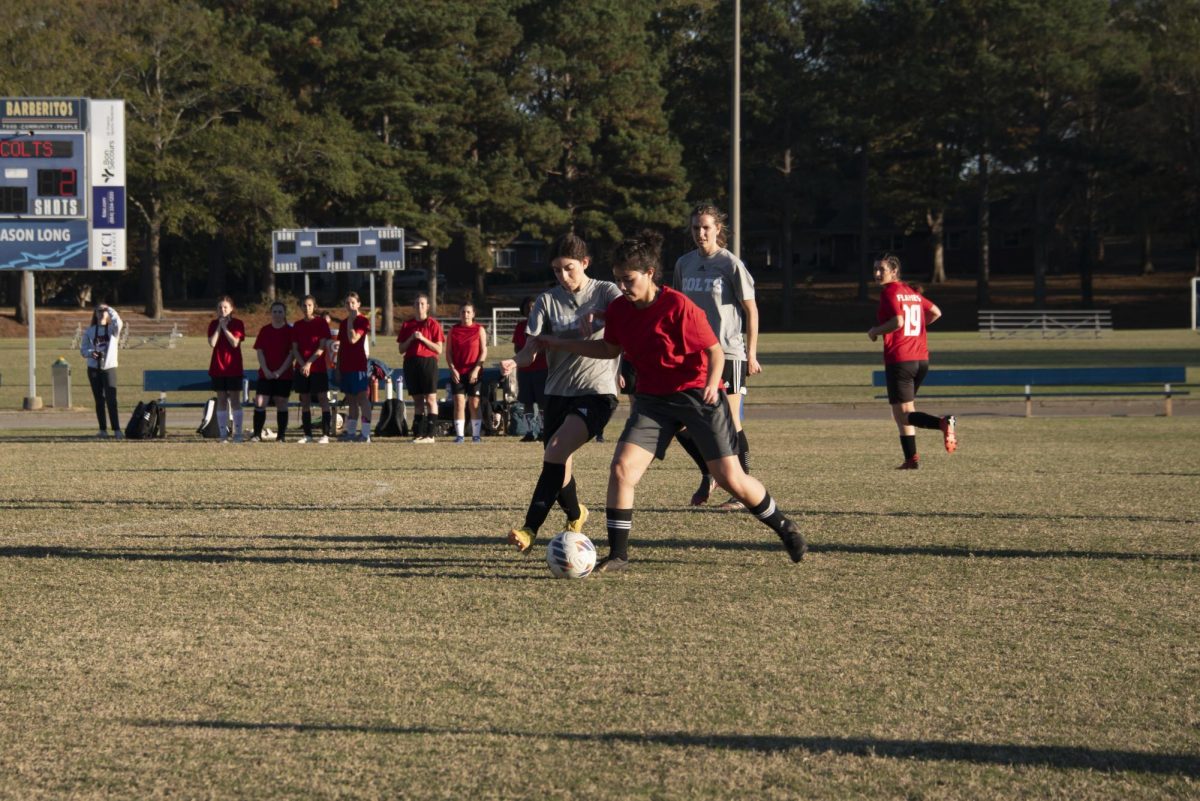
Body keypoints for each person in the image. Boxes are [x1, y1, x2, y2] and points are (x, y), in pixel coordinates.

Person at [536, 231, 806, 573]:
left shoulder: (678, 306)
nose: (622, 287)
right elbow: (608, 349)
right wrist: (560, 342)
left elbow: (714, 352)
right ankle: (618, 555)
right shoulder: (620, 309)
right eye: (617, 279)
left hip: (696, 395)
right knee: (621, 469)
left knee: (728, 478)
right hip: (652, 402)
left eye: (629, 279)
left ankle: (784, 527)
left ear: (649, 273)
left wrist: (710, 385)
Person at [501, 232, 622, 554]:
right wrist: (515, 361)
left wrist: (604, 318)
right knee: (559, 462)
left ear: (584, 263)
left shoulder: (606, 292)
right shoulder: (546, 301)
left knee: (555, 450)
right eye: (556, 270)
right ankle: (576, 513)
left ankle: (529, 528)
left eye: (569, 268)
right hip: (557, 392)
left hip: (597, 391)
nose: (563, 276)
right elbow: (532, 350)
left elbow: (632, 321)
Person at [672, 203, 760, 510]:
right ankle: (707, 470)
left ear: (718, 229)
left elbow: (751, 310)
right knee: (680, 420)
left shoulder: (730, 264)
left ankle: (742, 489)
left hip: (730, 354)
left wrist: (752, 353)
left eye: (706, 227)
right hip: (693, 355)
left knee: (731, 421)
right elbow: (677, 309)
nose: (700, 233)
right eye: (695, 227)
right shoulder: (683, 264)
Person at [867, 252, 957, 468]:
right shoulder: (911, 292)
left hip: (901, 359)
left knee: (903, 415)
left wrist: (875, 331)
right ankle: (911, 460)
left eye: (882, 269)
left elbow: (897, 321)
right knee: (906, 411)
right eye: (875, 269)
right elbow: (936, 312)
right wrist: (915, 330)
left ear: (894, 271)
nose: (878, 273)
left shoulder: (890, 292)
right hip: (920, 359)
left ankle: (943, 422)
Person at [396, 293, 444, 444]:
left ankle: (430, 434)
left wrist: (423, 339)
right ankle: (418, 432)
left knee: (430, 398)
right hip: (411, 362)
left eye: (422, 303)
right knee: (417, 399)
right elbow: (401, 349)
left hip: (428, 362)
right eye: (417, 304)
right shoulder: (407, 325)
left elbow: (439, 349)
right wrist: (411, 338)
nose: (419, 306)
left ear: (428, 307)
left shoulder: (433, 324)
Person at [249, 300, 295, 442]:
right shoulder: (265, 330)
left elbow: (292, 354)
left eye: (280, 311)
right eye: (274, 311)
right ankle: (257, 434)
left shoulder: (289, 331)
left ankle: (281, 436)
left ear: (284, 313)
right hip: (266, 374)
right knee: (260, 401)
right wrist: (266, 370)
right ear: (271, 313)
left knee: (281, 401)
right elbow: (260, 351)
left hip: (284, 374)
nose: (277, 314)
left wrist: (280, 371)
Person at [291, 295, 333, 444]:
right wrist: (303, 364)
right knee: (305, 400)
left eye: (309, 305)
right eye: (304, 305)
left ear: (314, 306)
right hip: (302, 368)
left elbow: (322, 346)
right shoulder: (297, 325)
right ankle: (307, 435)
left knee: (322, 399)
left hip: (318, 367)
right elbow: (294, 349)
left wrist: (309, 364)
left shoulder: (321, 323)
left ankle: (326, 434)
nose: (306, 308)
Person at [79, 300, 124, 439]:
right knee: (99, 400)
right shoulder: (90, 330)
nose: (101, 313)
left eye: (103, 310)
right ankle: (102, 430)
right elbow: (83, 349)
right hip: (93, 368)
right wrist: (91, 352)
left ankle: (116, 429)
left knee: (111, 400)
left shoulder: (112, 330)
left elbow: (119, 323)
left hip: (108, 367)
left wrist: (109, 308)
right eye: (98, 311)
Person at [446, 302, 488, 443]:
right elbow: (448, 353)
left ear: (473, 314)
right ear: (459, 314)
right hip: (458, 372)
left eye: (468, 312)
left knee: (474, 402)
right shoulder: (453, 330)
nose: (465, 315)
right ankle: (460, 435)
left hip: (474, 372)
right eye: (463, 312)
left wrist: (476, 369)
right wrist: (453, 369)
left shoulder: (479, 329)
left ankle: (476, 435)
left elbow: (484, 352)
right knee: (459, 402)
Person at [207, 295, 246, 442]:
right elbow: (212, 343)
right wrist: (219, 326)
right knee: (221, 399)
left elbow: (235, 343)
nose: (222, 310)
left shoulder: (238, 323)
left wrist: (225, 327)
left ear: (231, 309)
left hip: (233, 367)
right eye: (220, 308)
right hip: (218, 367)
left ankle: (238, 433)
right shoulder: (213, 324)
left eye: (225, 307)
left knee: (235, 400)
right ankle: (223, 434)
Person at [336, 292, 373, 442]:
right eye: (347, 303)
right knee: (350, 400)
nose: (350, 306)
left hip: (358, 367)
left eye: (353, 303)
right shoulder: (343, 323)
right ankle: (351, 432)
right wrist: (338, 368)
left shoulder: (363, 321)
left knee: (362, 399)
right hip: (346, 366)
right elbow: (342, 347)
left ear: (358, 304)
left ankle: (365, 434)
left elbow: (353, 339)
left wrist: (351, 321)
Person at [511, 295, 548, 442]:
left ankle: (543, 431)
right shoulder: (520, 326)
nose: (531, 309)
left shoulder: (544, 326)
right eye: (528, 307)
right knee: (527, 402)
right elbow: (517, 348)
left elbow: (547, 347)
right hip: (525, 370)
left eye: (533, 307)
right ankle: (529, 432)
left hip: (542, 369)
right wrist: (524, 354)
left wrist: (533, 352)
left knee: (543, 403)